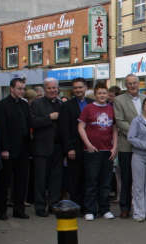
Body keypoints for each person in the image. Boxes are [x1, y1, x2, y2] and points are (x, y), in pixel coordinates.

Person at [78, 81, 118, 221]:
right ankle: (90, 210)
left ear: (108, 95)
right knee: (91, 181)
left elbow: (114, 129)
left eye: (104, 93)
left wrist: (115, 147)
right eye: (99, 93)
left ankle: (104, 209)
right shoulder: (88, 108)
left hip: (107, 150)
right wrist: (88, 144)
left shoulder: (111, 108)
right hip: (92, 151)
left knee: (106, 182)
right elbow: (81, 127)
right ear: (95, 94)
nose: (102, 95)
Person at [0, 78, 31, 220]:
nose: (22, 91)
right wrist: (4, 149)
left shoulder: (24, 104)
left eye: (23, 88)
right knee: (5, 182)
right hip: (9, 149)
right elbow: (2, 128)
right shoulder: (2, 105)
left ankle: (19, 209)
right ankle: (1, 210)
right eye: (19, 88)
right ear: (11, 89)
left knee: (21, 181)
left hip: (23, 148)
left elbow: (29, 123)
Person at [114, 74, 146, 218]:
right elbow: (120, 121)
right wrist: (137, 132)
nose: (132, 86)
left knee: (143, 178)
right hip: (126, 144)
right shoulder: (118, 100)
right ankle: (125, 207)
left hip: (144, 145)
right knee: (127, 177)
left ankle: (142, 207)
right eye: (129, 83)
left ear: (139, 84)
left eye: (134, 83)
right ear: (125, 85)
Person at [30, 77, 64, 217]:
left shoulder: (62, 104)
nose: (52, 90)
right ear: (45, 89)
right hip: (41, 148)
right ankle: (39, 206)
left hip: (58, 148)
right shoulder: (36, 104)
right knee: (40, 180)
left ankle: (54, 204)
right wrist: (49, 118)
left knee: (56, 180)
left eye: (54, 88)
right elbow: (32, 122)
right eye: (49, 88)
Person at [60, 77, 93, 212]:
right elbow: (64, 129)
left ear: (85, 88)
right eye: (75, 88)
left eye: (80, 87)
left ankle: (88, 206)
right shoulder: (67, 106)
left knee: (89, 178)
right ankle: (76, 206)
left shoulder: (92, 103)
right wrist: (69, 148)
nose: (78, 90)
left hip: (90, 147)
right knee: (75, 179)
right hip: (75, 147)